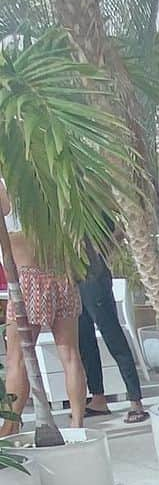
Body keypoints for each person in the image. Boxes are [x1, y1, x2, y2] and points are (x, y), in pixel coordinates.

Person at [0, 177, 86, 435]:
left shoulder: (6, 188)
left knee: (17, 360)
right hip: (61, 274)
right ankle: (77, 424)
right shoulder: (52, 186)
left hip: (25, 278)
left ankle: (11, 425)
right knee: (70, 354)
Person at [78, 223, 149, 424]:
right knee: (86, 341)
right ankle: (98, 398)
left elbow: (118, 229)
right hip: (76, 277)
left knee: (113, 337)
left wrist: (101, 250)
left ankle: (135, 400)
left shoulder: (87, 203)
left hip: (92, 274)